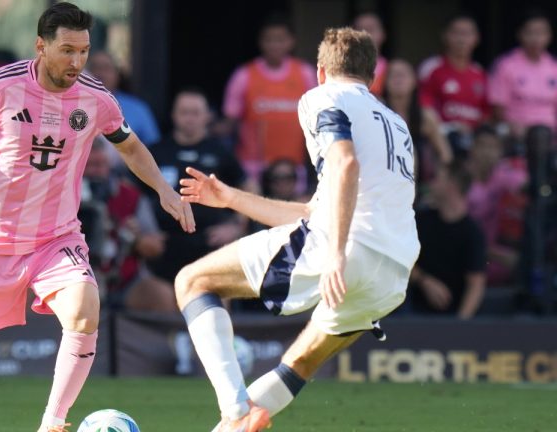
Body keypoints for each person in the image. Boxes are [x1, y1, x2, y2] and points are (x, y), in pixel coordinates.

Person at [0, 3, 194, 432]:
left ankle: (52, 422)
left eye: (84, 51)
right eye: (67, 50)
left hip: (56, 238)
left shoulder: (96, 97)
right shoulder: (1, 85)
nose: (77, 61)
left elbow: (130, 145)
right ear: (41, 46)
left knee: (86, 307)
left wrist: (163, 189)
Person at [175, 28, 419, 431]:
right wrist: (232, 198)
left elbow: (345, 165)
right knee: (300, 363)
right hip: (394, 269)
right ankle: (237, 421)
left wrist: (337, 253)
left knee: (193, 282)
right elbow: (314, 211)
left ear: (320, 71)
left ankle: (235, 411)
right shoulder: (396, 123)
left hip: (347, 246)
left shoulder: (322, 96)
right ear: (373, 78)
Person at [145, 88, 250, 286]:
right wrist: (143, 233)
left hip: (211, 241)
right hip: (166, 243)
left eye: (195, 113)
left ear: (207, 116)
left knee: (214, 298)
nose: (189, 118)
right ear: (174, 115)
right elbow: (133, 194)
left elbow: (248, 188)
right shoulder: (155, 152)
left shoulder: (221, 152)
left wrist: (236, 226)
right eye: (184, 112)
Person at [221, 14, 317, 183]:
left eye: (280, 39)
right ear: (260, 42)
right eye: (269, 40)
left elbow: (317, 120)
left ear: (291, 41)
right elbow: (229, 123)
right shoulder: (244, 75)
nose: (274, 45)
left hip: (293, 169)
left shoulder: (305, 74)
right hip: (252, 168)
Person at [82, 138, 174, 312]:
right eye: (89, 165)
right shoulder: (62, 196)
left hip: (122, 278)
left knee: (160, 295)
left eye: (100, 164)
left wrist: (137, 238)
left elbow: (155, 246)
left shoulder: (130, 196)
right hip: (74, 279)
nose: (95, 171)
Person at [410, 161, 486, 318]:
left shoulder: (472, 233)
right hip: (413, 312)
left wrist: (459, 326)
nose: (431, 183)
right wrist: (425, 281)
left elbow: (476, 283)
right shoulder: (420, 221)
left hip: (451, 316)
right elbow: (401, 261)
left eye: (437, 178)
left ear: (451, 185)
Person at [466, 126, 527, 285]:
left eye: (493, 147)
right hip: (463, 254)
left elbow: (524, 185)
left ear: (500, 152)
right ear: (472, 147)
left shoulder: (503, 174)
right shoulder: (461, 177)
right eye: (482, 145)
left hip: (493, 258)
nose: (488, 152)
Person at [418, 15, 488, 153]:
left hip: (474, 137)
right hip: (442, 136)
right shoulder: (432, 68)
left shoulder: (480, 73)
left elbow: (487, 113)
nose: (462, 39)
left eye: (467, 34)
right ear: (445, 36)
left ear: (476, 38)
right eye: (456, 33)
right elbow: (424, 107)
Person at [488, 10, 557, 140]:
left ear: (549, 36)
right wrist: (511, 125)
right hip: (516, 134)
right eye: (530, 32)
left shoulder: (554, 67)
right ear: (520, 34)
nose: (536, 38)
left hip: (551, 136)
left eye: (541, 33)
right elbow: (498, 108)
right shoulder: (505, 65)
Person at [383, 59, 452, 185]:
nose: (398, 79)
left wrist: (439, 183)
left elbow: (445, 155)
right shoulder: (376, 112)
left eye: (403, 75)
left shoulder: (426, 116)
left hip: (420, 186)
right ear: (385, 82)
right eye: (393, 75)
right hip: (383, 181)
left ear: (414, 81)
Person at [87, 50, 161, 146]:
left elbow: (154, 149)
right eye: (94, 68)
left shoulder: (138, 109)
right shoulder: (71, 106)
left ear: (117, 75)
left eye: (106, 68)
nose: (100, 74)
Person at [352, 12, 388, 96]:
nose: (365, 34)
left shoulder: (391, 69)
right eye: (360, 29)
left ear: (383, 34)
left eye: (371, 29)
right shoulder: (340, 70)